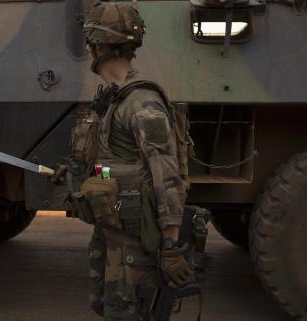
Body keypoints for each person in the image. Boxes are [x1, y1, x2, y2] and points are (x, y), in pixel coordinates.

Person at [61, 1, 194, 320]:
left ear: (102, 45)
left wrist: (172, 246)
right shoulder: (113, 97)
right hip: (112, 233)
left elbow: (168, 176)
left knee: (128, 313)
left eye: (92, 42)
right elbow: (115, 160)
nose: (90, 50)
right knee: (106, 307)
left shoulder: (141, 104)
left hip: (136, 243)